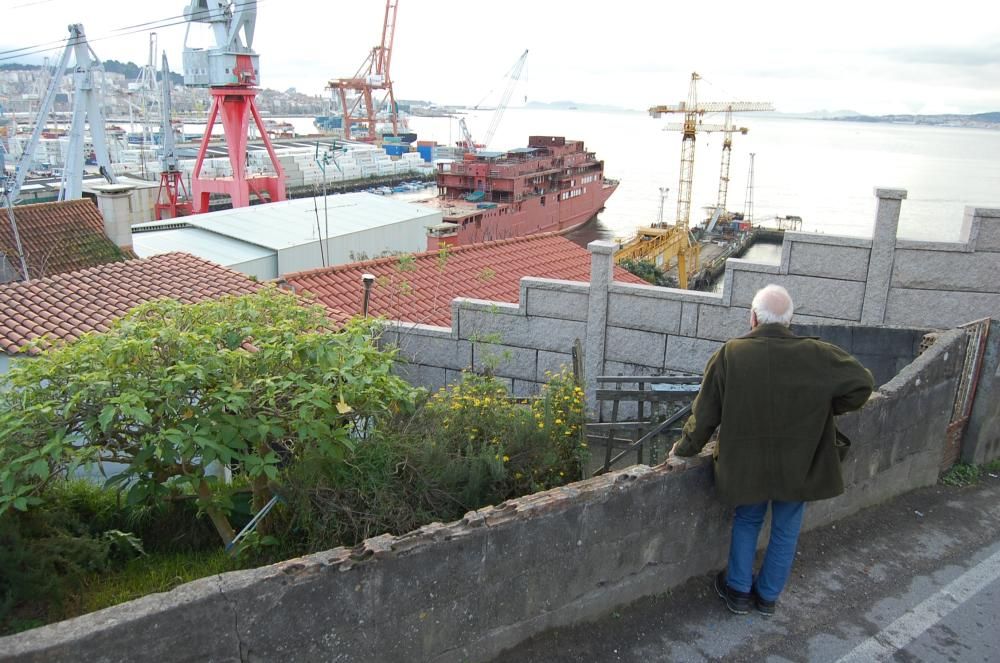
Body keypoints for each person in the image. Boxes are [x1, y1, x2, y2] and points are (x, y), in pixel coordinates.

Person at [670, 284, 874, 616]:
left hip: (746, 463)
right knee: (786, 527)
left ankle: (737, 590)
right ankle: (767, 597)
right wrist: (827, 407)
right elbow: (862, 384)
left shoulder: (730, 354)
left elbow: (705, 415)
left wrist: (684, 448)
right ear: (790, 321)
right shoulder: (818, 354)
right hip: (799, 461)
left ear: (752, 318)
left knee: (748, 518)